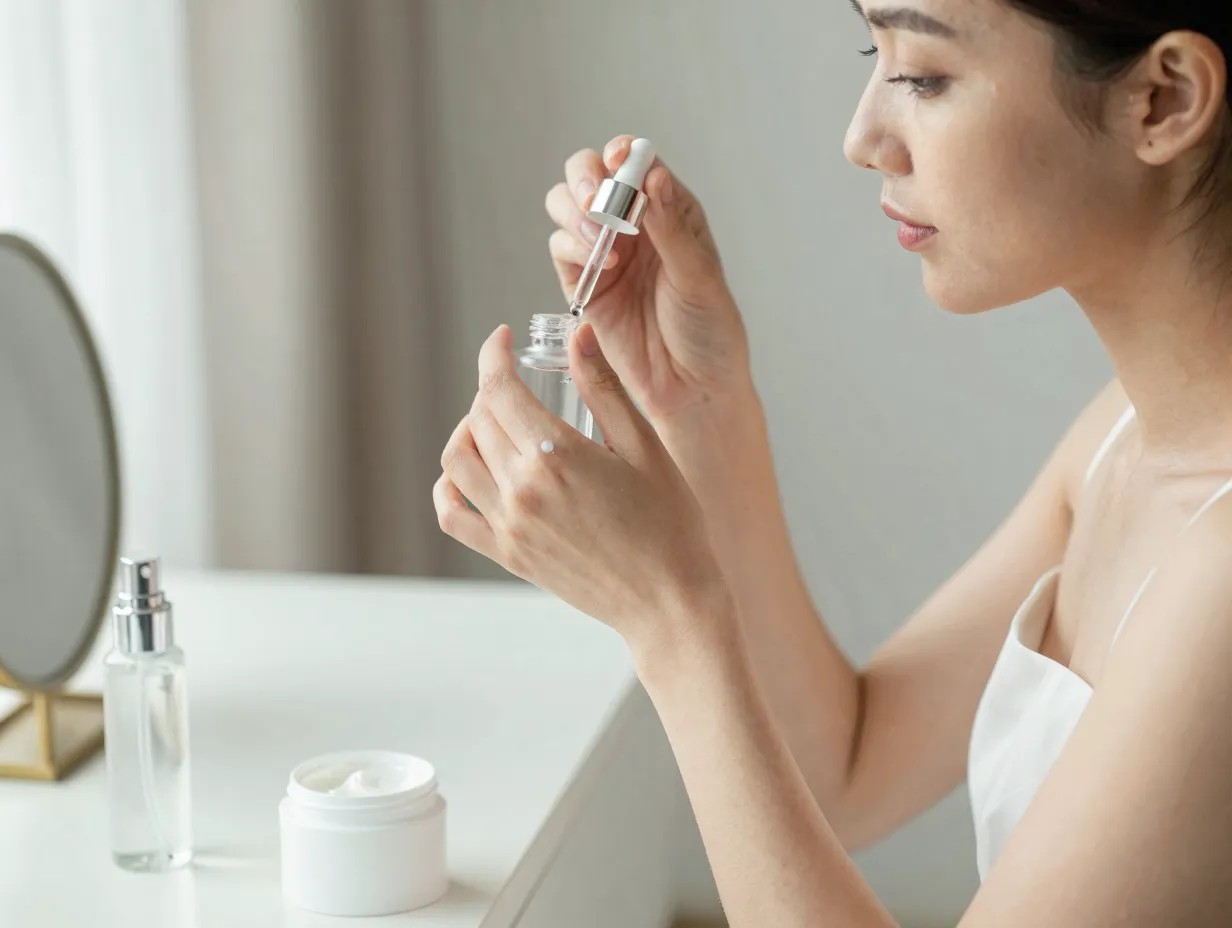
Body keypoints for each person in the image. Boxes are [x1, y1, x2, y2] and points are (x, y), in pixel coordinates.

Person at [434, 1, 1232, 923]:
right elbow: (846, 767)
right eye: (873, 52)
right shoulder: (1125, 437)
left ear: (1164, 99)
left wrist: (672, 619)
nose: (862, 138)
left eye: (923, 76)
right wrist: (703, 405)